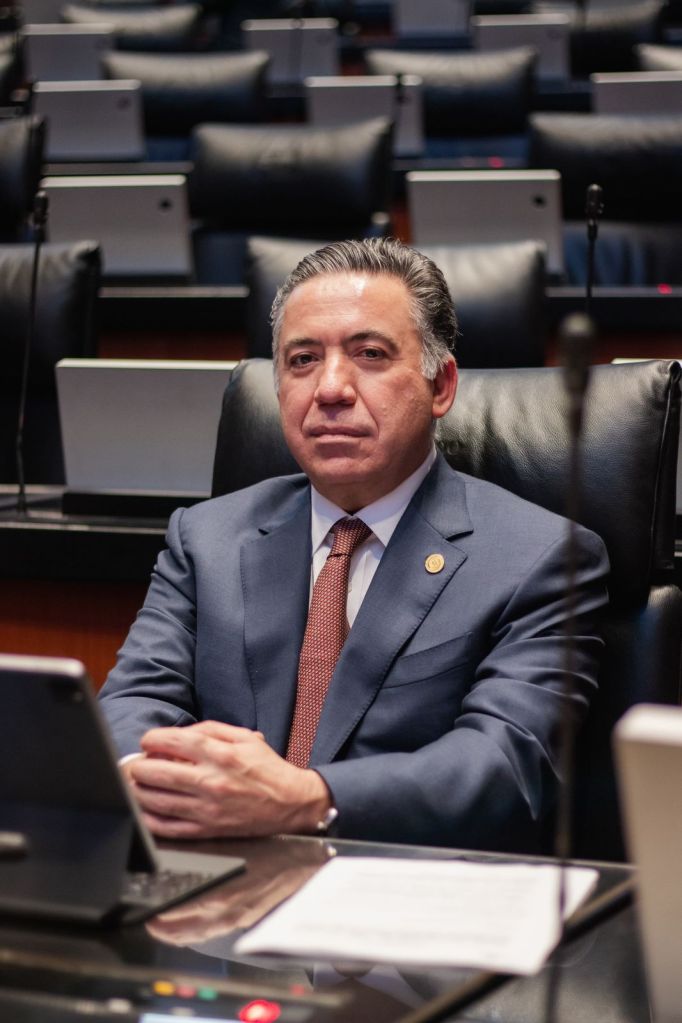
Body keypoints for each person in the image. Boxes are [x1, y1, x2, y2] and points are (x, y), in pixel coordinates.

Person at [99, 237, 609, 853]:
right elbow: (133, 701)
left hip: (407, 886)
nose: (331, 388)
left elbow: (505, 763)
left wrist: (307, 798)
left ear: (441, 385)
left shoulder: (541, 557)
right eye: (303, 360)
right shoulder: (206, 538)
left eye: (370, 354)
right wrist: (149, 779)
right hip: (218, 868)